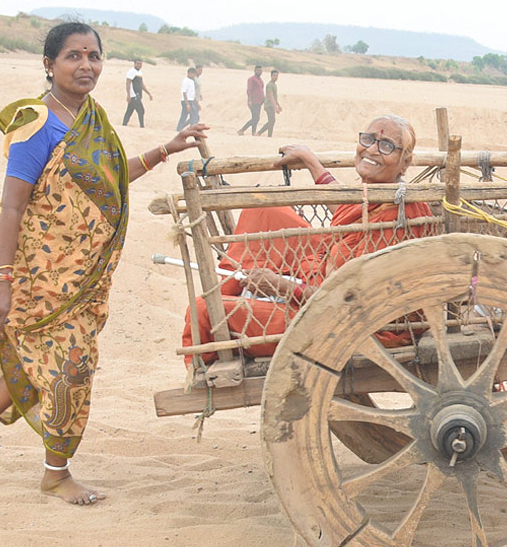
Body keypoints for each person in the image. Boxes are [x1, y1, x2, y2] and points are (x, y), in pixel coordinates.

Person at [0, 23, 209, 502]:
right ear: (49, 65)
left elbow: (107, 182)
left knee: (22, 359)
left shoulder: (92, 118)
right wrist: (0, 282)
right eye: (73, 56)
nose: (86, 66)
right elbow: (13, 205)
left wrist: (166, 149)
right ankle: (55, 474)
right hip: (37, 275)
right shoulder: (35, 123)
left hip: (81, 279)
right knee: (70, 368)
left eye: (94, 56)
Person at [183, 115, 433, 363]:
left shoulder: (402, 215)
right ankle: (228, 289)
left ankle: (220, 308)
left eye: (386, 145)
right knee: (264, 211)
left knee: (201, 310)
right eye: (368, 139)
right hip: (323, 277)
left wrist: (281, 286)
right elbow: (347, 209)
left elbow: (353, 302)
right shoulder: (377, 195)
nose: (371, 150)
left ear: (404, 162)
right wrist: (310, 161)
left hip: (340, 319)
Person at [122, 58, 152, 127]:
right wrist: (128, 95)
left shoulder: (139, 73)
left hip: (138, 94)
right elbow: (128, 83)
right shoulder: (131, 71)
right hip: (134, 95)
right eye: (138, 64)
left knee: (129, 111)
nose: (139, 65)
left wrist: (148, 93)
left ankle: (124, 124)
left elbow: (141, 84)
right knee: (141, 110)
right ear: (134, 64)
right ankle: (142, 126)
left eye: (140, 64)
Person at [237, 65, 265, 135]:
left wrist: (263, 99)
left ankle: (253, 132)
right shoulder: (251, 79)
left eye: (260, 71)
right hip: (253, 101)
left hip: (259, 102)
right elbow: (249, 90)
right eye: (258, 70)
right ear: (254, 71)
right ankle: (242, 130)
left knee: (255, 118)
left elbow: (261, 90)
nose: (259, 72)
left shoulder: (260, 80)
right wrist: (249, 100)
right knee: (256, 118)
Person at [256, 69, 282, 138]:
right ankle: (261, 133)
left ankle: (268, 135)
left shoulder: (274, 85)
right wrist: (275, 107)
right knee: (271, 121)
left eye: (276, 76)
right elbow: (270, 96)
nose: (275, 77)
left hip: (272, 105)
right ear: (271, 76)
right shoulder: (270, 85)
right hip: (268, 105)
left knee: (272, 121)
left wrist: (278, 105)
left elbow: (274, 97)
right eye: (274, 75)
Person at [177, 66, 198, 131]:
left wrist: (196, 102)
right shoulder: (185, 81)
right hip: (187, 101)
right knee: (193, 116)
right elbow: (184, 92)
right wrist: (187, 104)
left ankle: (180, 129)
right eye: (193, 74)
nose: (194, 75)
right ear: (189, 73)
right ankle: (189, 129)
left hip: (191, 100)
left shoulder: (191, 81)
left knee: (189, 116)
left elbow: (192, 93)